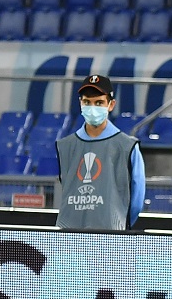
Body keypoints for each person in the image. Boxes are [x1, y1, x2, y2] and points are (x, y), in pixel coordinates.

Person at [55, 75, 146, 230]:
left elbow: (137, 199)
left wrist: (120, 223)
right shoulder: (65, 146)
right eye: (87, 102)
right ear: (80, 103)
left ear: (111, 105)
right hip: (68, 237)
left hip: (110, 238)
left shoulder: (127, 146)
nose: (92, 108)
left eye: (99, 102)